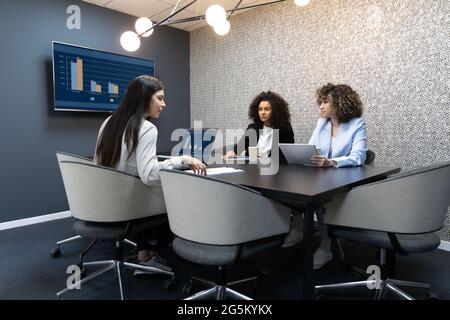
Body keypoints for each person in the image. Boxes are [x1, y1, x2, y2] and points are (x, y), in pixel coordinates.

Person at [95, 75, 206, 271]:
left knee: (146, 192)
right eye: (160, 98)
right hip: (126, 206)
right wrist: (183, 160)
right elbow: (149, 175)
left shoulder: (109, 122)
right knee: (172, 197)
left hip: (103, 201)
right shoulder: (146, 128)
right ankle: (153, 253)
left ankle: (144, 253)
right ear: (144, 98)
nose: (164, 104)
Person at [309, 83, 367, 269]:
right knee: (303, 194)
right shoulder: (321, 123)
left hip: (345, 179)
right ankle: (298, 231)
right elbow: (311, 149)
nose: (321, 106)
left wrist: (332, 162)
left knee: (319, 197)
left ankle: (325, 246)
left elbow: (359, 156)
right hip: (321, 178)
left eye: (325, 102)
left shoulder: (356, 124)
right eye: (321, 102)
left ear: (340, 103)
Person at [224, 91, 294, 162]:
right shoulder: (253, 127)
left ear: (276, 111)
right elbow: (241, 145)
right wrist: (232, 152)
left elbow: (288, 154)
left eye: (267, 109)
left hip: (276, 169)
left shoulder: (285, 129)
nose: (262, 113)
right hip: (252, 169)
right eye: (260, 109)